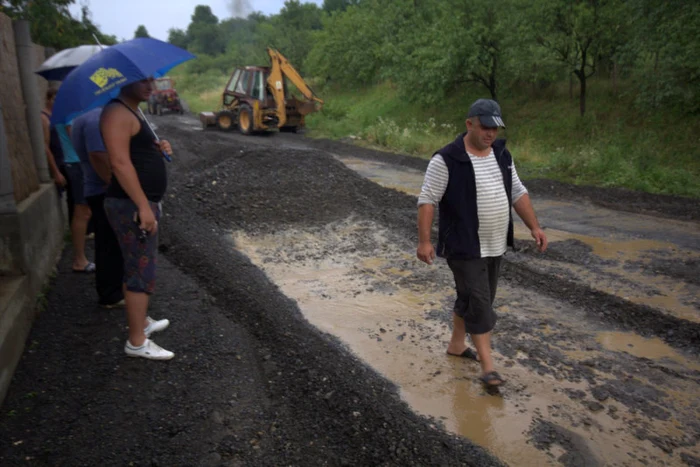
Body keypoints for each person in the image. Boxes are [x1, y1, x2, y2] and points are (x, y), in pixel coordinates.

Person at [416, 98, 548, 389]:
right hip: (464, 246)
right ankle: (489, 368)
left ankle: (455, 345)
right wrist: (424, 241)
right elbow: (427, 200)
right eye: (485, 127)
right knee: (480, 304)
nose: (490, 134)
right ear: (470, 124)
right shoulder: (447, 158)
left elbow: (517, 192)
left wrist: (534, 227)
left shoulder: (502, 155)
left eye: (495, 129)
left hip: (495, 243)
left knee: (475, 298)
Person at [100, 77, 173, 360]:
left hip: (137, 203)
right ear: (124, 81)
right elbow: (119, 162)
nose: (150, 86)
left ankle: (141, 322)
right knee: (141, 271)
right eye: (142, 80)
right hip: (130, 205)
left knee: (135, 265)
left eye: (152, 80)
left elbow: (136, 153)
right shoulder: (117, 113)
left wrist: (159, 148)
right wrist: (143, 206)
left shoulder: (131, 112)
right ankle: (136, 341)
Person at [71, 107, 125, 308]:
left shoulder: (85, 116)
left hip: (98, 189)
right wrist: (113, 183)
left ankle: (113, 288)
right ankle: (111, 293)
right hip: (102, 190)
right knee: (109, 242)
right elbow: (97, 155)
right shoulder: (95, 119)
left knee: (109, 240)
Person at [56, 117, 95, 273]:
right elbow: (78, 141)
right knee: (82, 211)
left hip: (75, 163)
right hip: (77, 164)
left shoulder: (69, 112)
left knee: (84, 210)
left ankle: (80, 258)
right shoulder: (70, 115)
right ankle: (79, 260)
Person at [40, 88, 67, 190]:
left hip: (64, 160)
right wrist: (56, 172)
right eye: (54, 100)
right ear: (48, 100)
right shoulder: (44, 118)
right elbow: (45, 145)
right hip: (57, 163)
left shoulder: (57, 115)